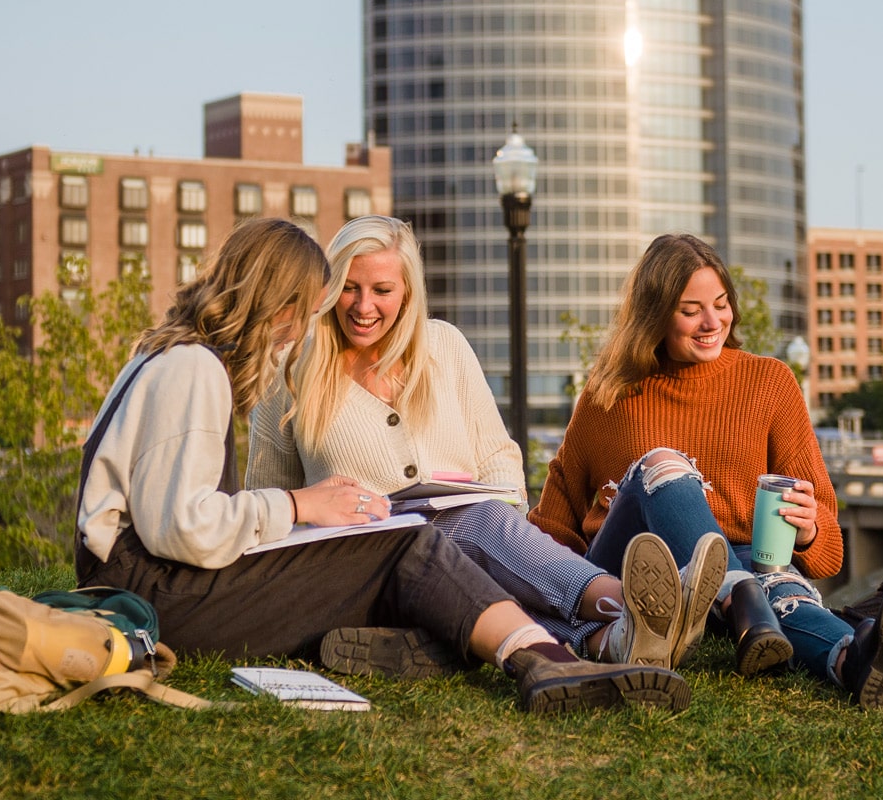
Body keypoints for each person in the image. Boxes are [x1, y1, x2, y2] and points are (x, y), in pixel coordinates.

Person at [74, 217, 688, 713]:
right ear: (275, 299)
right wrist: (300, 506)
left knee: (442, 539)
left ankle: (554, 649)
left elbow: (177, 521)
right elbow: (181, 528)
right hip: (155, 597)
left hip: (148, 588)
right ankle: (552, 660)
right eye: (310, 305)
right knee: (407, 545)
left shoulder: (172, 356)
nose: (301, 328)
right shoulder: (194, 369)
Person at [249, 215, 726, 670]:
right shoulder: (291, 370)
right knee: (474, 525)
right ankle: (634, 603)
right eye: (349, 288)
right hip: (368, 560)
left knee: (484, 531)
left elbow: (498, 456)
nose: (363, 305)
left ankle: (613, 641)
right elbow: (268, 505)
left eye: (381, 290)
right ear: (330, 288)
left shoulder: (444, 347)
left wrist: (511, 540)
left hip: (474, 544)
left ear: (408, 293)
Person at [529, 233, 883, 711]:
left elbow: (828, 549)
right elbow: (551, 531)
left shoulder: (770, 383)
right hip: (640, 575)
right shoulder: (608, 395)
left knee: (782, 588)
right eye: (691, 310)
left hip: (748, 566)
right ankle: (738, 594)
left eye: (721, 304)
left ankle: (855, 660)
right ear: (654, 314)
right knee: (663, 463)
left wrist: (808, 531)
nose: (712, 322)